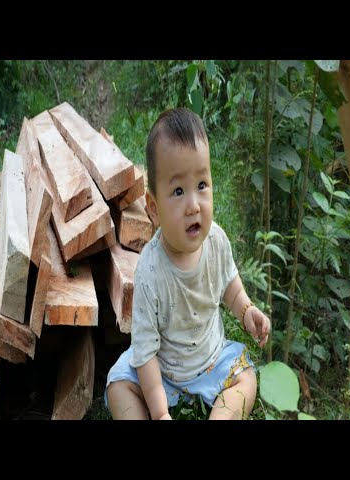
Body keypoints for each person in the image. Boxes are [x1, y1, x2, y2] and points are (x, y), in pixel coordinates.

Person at [105, 107, 271, 420]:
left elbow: (230, 286)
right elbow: (144, 351)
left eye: (202, 186)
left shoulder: (217, 241)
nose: (194, 205)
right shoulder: (150, 271)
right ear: (153, 208)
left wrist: (247, 310)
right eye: (178, 191)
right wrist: (159, 412)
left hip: (212, 361)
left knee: (246, 379)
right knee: (119, 387)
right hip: (162, 370)